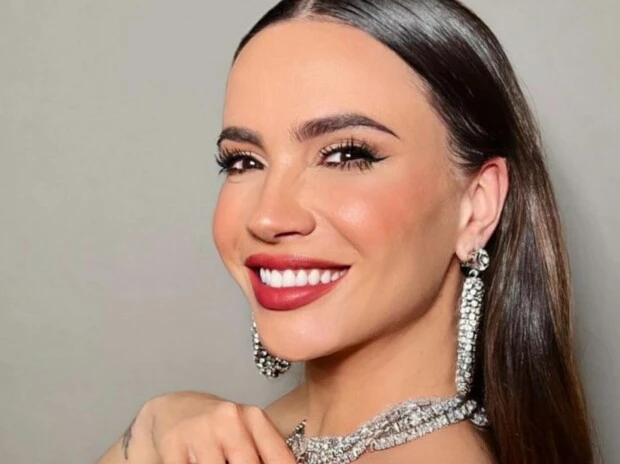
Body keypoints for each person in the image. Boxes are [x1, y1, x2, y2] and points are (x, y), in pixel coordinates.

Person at [96, 0, 596, 463]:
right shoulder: (246, 431)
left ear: (477, 205)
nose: (267, 217)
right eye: (244, 160)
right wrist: (155, 424)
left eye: (346, 155)